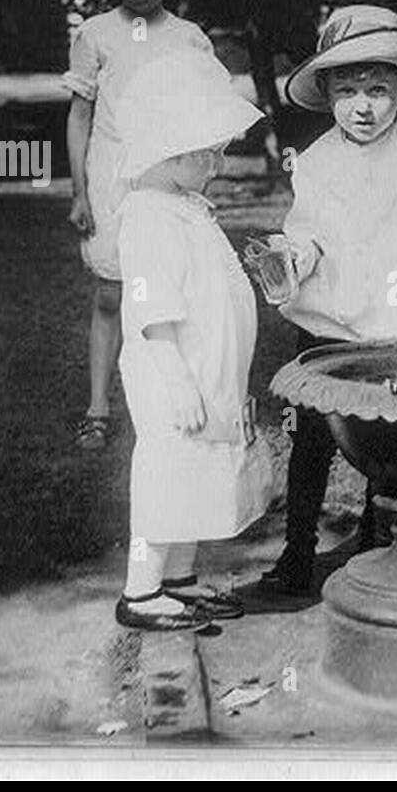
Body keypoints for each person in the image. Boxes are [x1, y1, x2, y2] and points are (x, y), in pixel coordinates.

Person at [258, 4, 397, 594]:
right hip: (330, 319)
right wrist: (294, 257)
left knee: (387, 437)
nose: (363, 106)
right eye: (349, 89)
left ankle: (374, 544)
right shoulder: (317, 161)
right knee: (312, 438)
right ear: (329, 92)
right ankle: (296, 554)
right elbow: (307, 232)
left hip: (394, 324)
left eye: (379, 89)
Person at [111, 48, 271, 631]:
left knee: (197, 478)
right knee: (166, 479)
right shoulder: (150, 218)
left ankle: (177, 580)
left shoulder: (184, 208)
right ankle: (142, 589)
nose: (219, 159)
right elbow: (153, 309)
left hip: (207, 370)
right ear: (170, 154)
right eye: (208, 151)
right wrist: (177, 381)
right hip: (175, 373)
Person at [63, 0, 215, 450]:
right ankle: (98, 407)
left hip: (169, 185)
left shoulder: (190, 38)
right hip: (112, 182)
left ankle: (177, 392)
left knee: (173, 296)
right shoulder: (96, 35)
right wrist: (81, 193)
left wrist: (200, 188)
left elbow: (207, 119)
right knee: (111, 294)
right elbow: (79, 117)